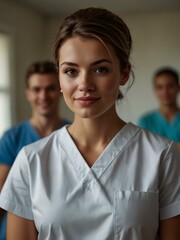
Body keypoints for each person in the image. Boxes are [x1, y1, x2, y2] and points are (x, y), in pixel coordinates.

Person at [0, 8, 179, 240]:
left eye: (100, 69)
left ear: (124, 73)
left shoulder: (162, 156)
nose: (84, 84)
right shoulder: (31, 161)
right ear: (60, 79)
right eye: (71, 71)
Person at [0, 60, 70, 240]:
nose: (43, 96)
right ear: (28, 94)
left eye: (50, 88)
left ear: (61, 90)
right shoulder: (12, 138)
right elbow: (2, 196)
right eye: (36, 89)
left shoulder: (74, 135)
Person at [138, 67, 180, 145]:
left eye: (170, 86)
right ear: (155, 91)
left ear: (178, 88)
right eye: (160, 87)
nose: (165, 92)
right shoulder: (146, 121)